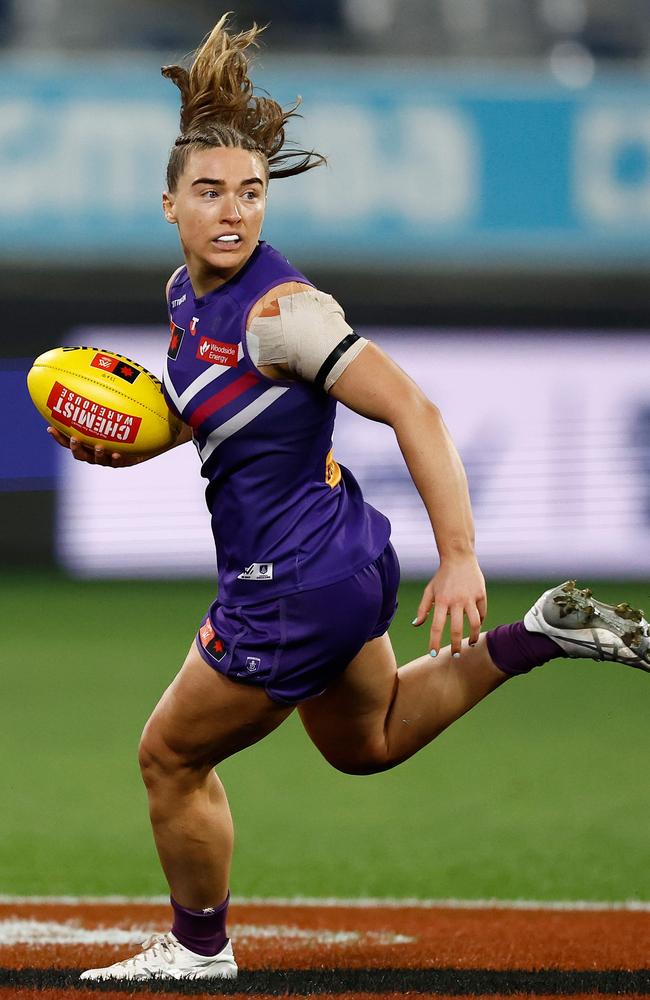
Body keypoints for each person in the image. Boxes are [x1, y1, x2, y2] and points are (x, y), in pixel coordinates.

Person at [46, 14, 650, 983]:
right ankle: (538, 633)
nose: (233, 212)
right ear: (168, 204)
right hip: (340, 554)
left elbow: (413, 408)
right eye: (210, 192)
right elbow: (222, 413)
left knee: (167, 756)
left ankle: (198, 947)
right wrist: (143, 431)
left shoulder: (286, 314)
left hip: (287, 582)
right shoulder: (182, 296)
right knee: (363, 742)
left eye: (249, 192)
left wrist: (458, 554)